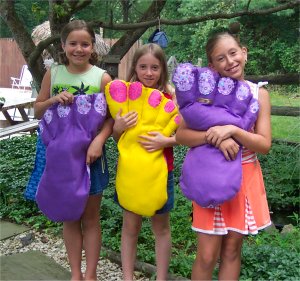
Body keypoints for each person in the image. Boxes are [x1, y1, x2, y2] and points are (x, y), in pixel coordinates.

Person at [175, 31, 272, 280]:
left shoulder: (258, 94)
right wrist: (215, 136)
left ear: (244, 53)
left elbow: (264, 144)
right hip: (208, 176)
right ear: (211, 65)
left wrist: (233, 130)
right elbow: (181, 136)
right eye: (221, 58)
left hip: (245, 178)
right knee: (207, 254)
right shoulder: (203, 94)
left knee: (231, 250)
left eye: (233, 53)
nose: (230, 61)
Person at [34, 20, 113, 281]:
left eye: (85, 44)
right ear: (63, 46)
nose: (79, 49)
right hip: (61, 159)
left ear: (93, 47)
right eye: (73, 43)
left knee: (91, 218)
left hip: (92, 157)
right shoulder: (53, 74)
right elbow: (37, 110)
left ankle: (90, 274)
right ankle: (75, 274)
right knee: (70, 216)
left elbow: (111, 118)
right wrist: (54, 99)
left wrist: (99, 140)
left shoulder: (102, 77)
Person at [111, 43, 178, 280]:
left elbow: (185, 135)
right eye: (143, 67)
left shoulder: (171, 97)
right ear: (135, 68)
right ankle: (127, 276)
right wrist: (117, 128)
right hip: (131, 173)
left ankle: (161, 277)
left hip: (162, 172)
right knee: (130, 227)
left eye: (154, 67)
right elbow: (118, 136)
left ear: (162, 70)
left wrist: (166, 141)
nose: (149, 73)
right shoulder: (125, 95)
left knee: (161, 228)